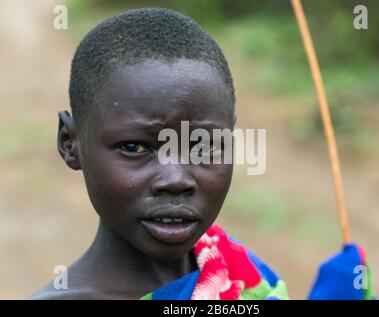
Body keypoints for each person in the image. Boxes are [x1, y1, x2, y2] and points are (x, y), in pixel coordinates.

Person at [30, 8, 288, 300]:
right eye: (134, 148)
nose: (176, 180)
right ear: (70, 143)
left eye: (202, 146)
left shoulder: (239, 273)